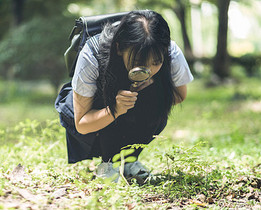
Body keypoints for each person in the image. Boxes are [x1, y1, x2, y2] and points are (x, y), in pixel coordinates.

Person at [55, 10, 193, 182]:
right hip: (94, 115)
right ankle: (107, 165)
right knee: (105, 104)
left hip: (134, 110)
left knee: (157, 103)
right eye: (138, 63)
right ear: (119, 48)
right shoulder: (92, 55)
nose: (147, 70)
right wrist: (114, 109)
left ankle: (129, 161)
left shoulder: (170, 51)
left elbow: (179, 95)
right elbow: (82, 123)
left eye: (156, 62)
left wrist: (151, 90)